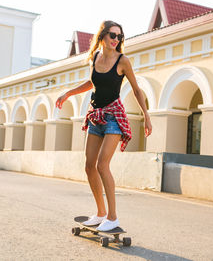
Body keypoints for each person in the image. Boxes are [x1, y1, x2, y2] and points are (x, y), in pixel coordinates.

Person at [55, 20, 152, 231]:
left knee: (102, 165)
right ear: (103, 36)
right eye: (113, 35)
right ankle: (101, 213)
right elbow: (93, 83)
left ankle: (113, 217)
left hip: (113, 117)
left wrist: (146, 115)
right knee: (89, 166)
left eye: (120, 37)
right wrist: (68, 93)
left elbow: (136, 90)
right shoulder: (96, 58)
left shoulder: (123, 61)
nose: (116, 40)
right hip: (95, 116)